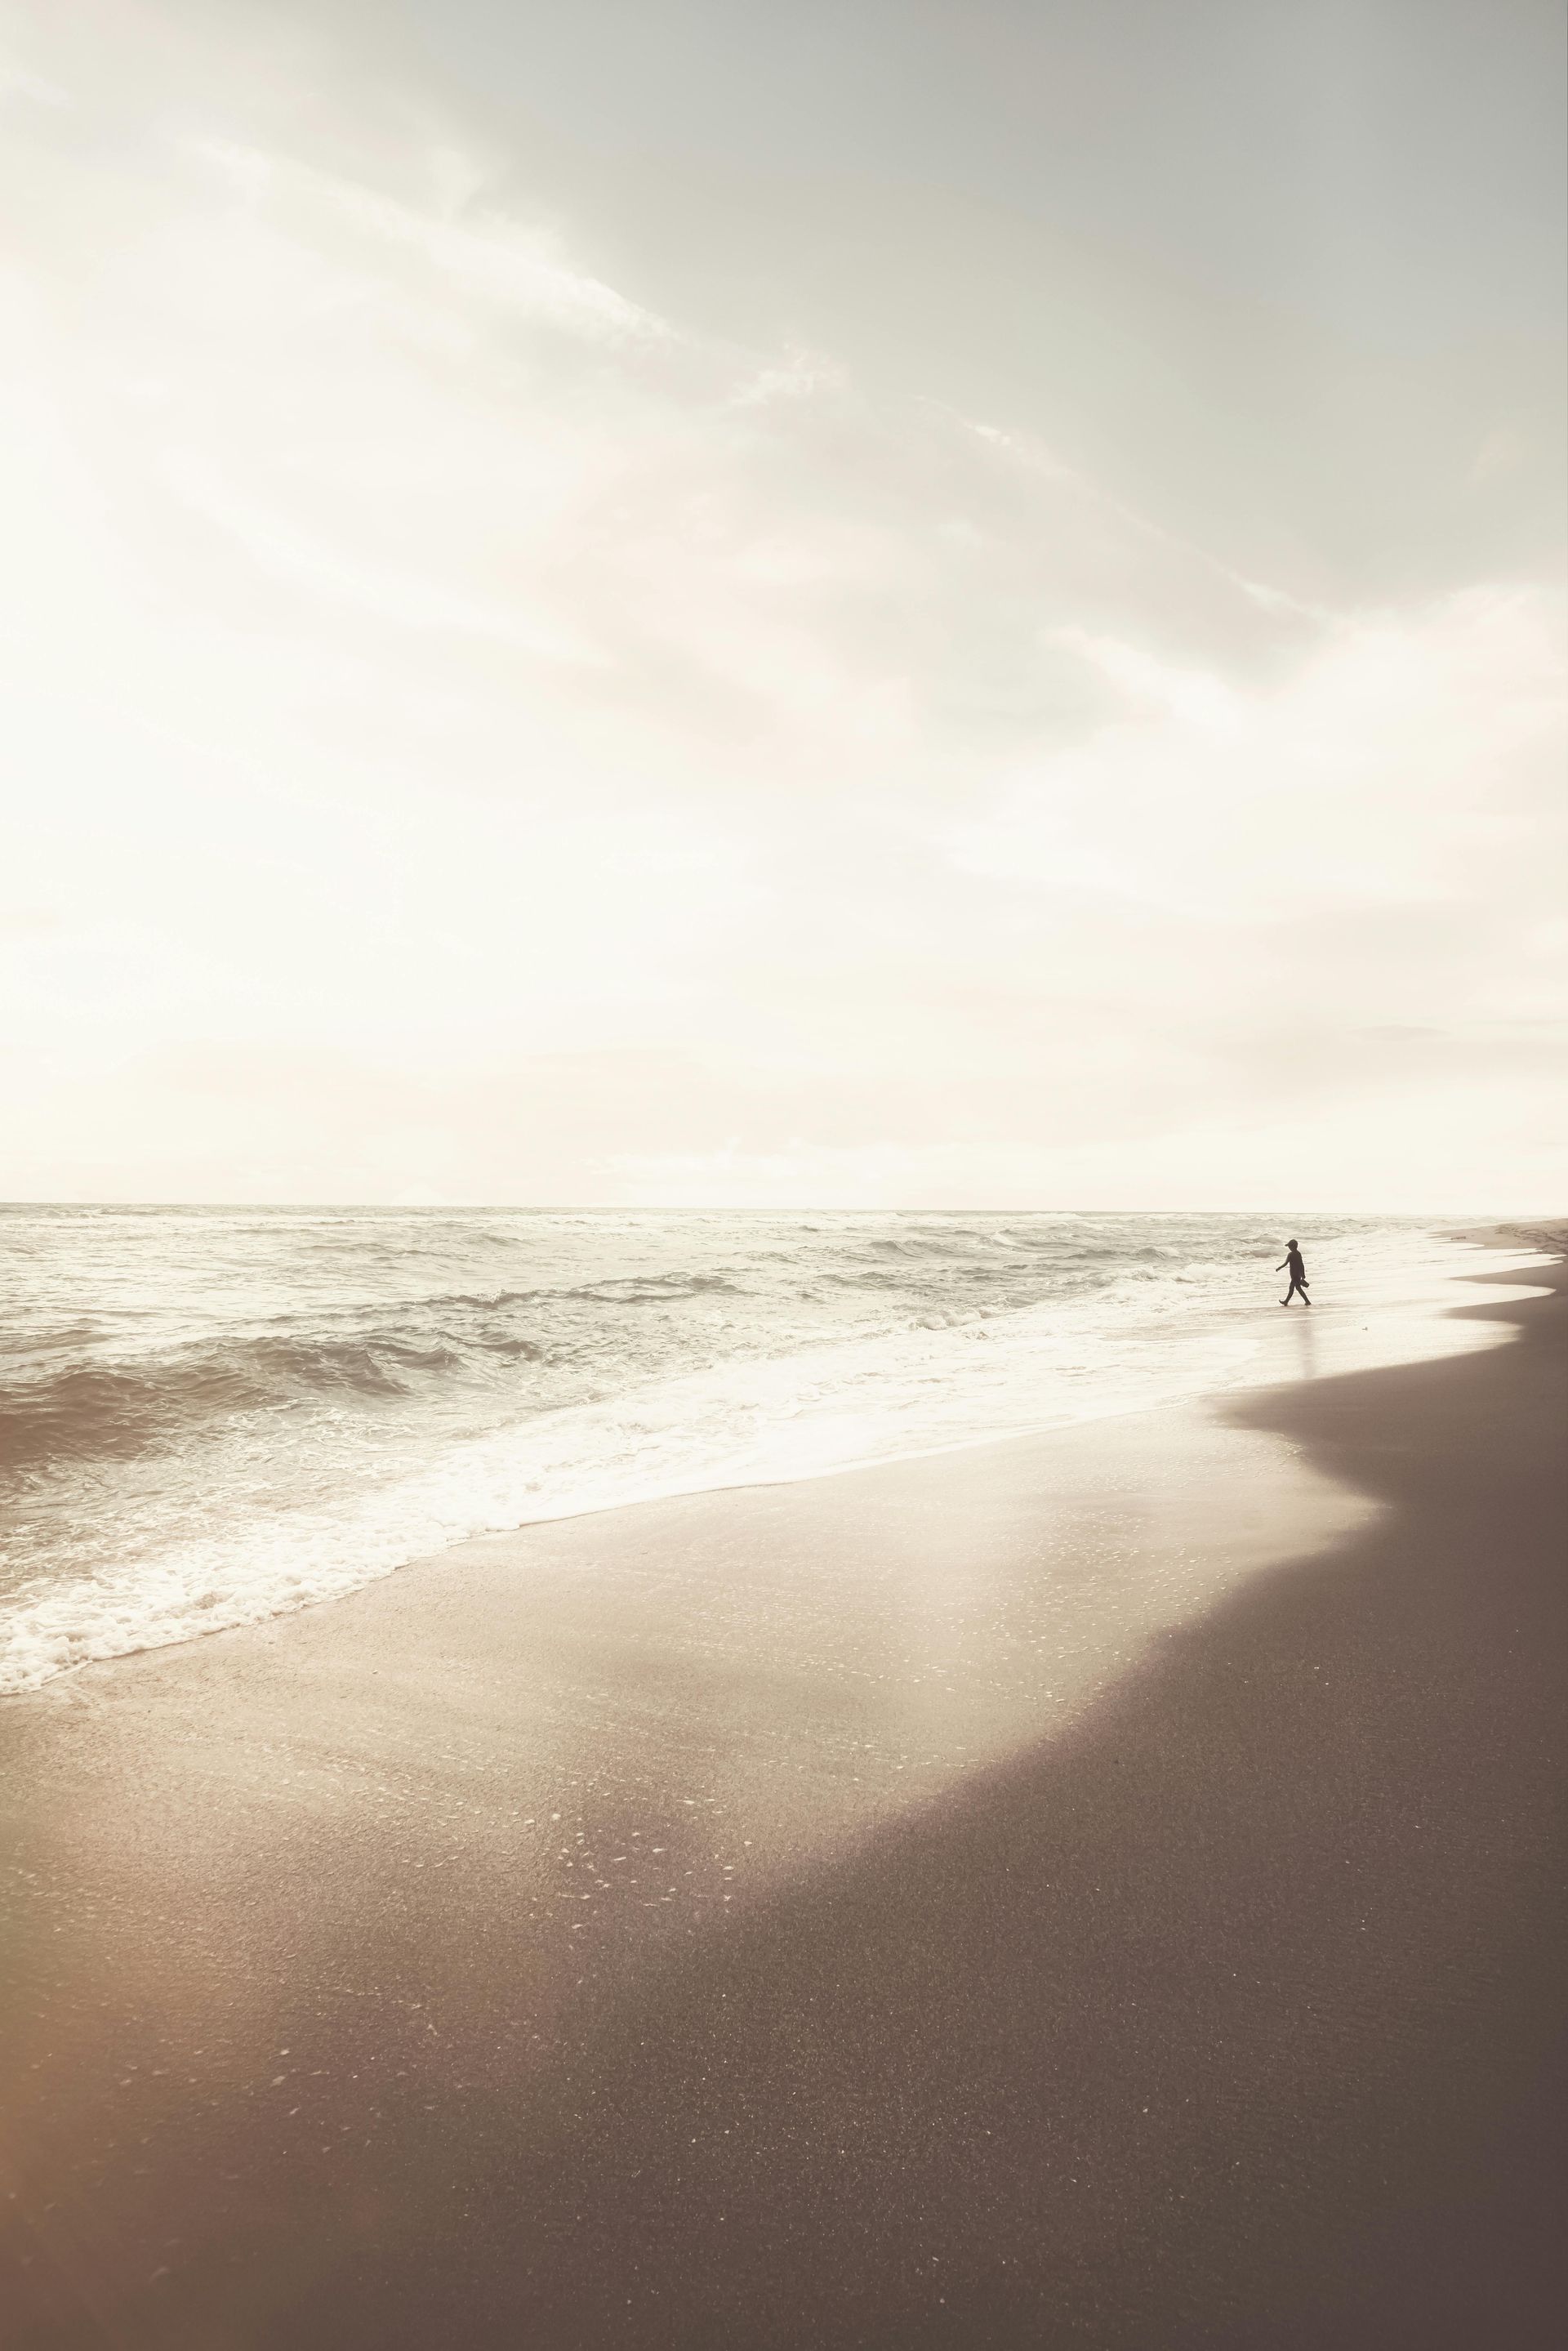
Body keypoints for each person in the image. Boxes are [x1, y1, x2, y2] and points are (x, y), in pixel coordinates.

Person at [1276, 1238, 1310, 1306]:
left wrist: (1279, 1268)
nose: (1289, 1248)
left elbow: (1286, 1263)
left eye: (1289, 1246)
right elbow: (1301, 1264)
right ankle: (1287, 1301)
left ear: (1292, 1247)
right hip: (1298, 1274)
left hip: (1294, 1274)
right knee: (1295, 1288)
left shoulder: (1290, 1254)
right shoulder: (1298, 1254)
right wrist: (1303, 1274)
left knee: (1295, 1288)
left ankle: (1287, 1302)